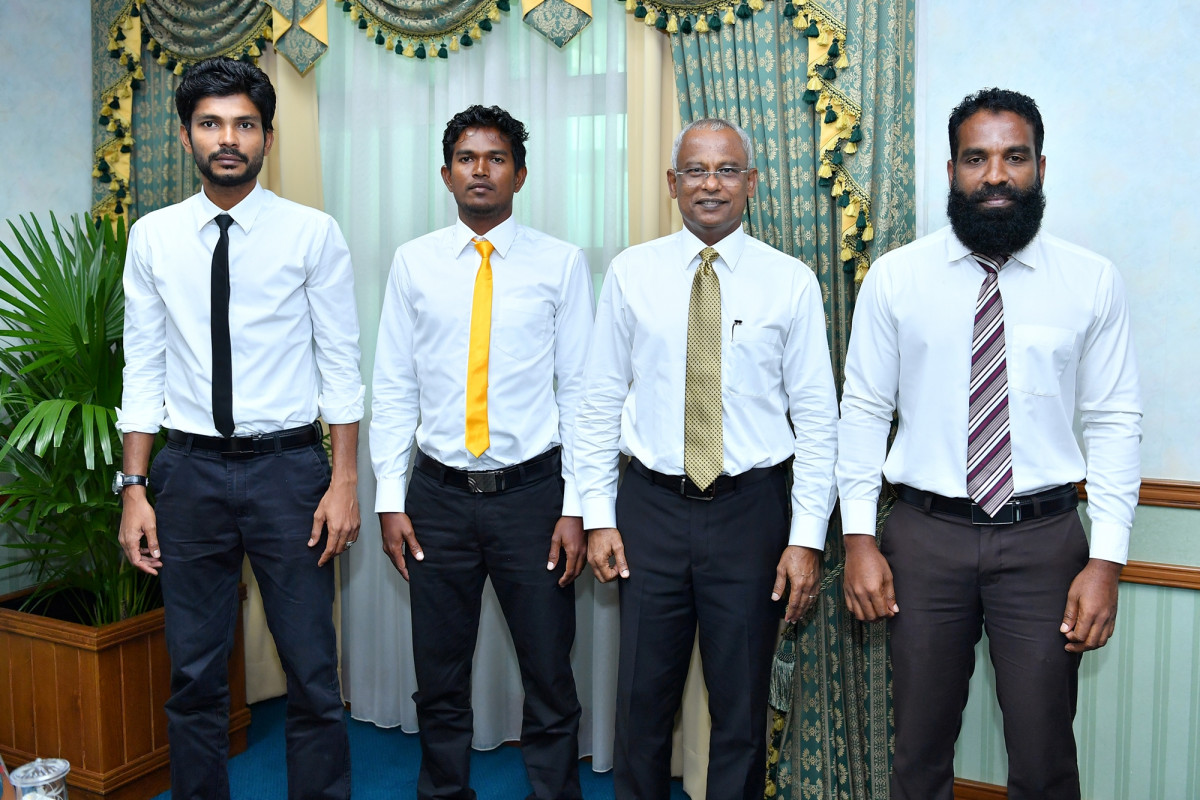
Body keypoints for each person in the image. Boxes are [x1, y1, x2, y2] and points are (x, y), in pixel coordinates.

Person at [837, 88, 1142, 800]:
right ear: (951, 172)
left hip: (1043, 545)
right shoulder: (897, 278)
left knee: (1044, 756)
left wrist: (1107, 560)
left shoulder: (1091, 281)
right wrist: (857, 540)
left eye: (1015, 157)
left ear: (1041, 167)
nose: (996, 175)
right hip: (924, 541)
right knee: (918, 751)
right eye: (977, 159)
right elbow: (863, 412)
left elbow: (1113, 421)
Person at [116, 57, 362, 800]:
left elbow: (341, 365)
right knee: (194, 675)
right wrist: (134, 488)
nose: (229, 138)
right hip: (187, 475)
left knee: (312, 671)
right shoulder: (153, 237)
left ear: (267, 137)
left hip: (290, 474)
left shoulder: (312, 233)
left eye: (245, 124)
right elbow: (143, 368)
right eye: (211, 123)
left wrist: (344, 481)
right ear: (186, 135)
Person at [575, 118, 839, 799]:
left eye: (727, 170)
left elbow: (818, 420)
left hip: (751, 514)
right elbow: (599, 401)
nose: (711, 184)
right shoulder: (631, 273)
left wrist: (806, 538)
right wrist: (597, 515)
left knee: (741, 710)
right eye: (695, 170)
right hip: (649, 511)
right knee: (641, 703)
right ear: (673, 183)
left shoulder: (790, 282)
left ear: (751, 183)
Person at [370, 105, 593, 800]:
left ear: (519, 175)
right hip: (435, 500)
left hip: (534, 500)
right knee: (439, 677)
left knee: (549, 674)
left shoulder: (561, 263)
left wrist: (578, 505)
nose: (480, 171)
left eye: (496, 159)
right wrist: (389, 498)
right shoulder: (413, 263)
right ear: (446, 174)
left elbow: (582, 391)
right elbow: (393, 385)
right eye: (467, 158)